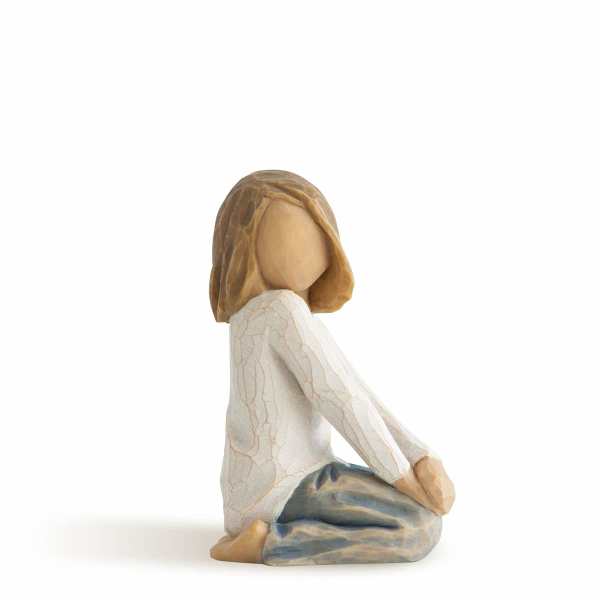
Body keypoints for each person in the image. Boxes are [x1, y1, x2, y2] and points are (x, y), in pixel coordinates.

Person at [208, 171, 454, 565]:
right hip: (284, 490)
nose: (314, 245)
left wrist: (420, 458)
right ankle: (269, 544)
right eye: (291, 234)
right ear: (247, 246)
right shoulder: (280, 311)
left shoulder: (264, 315)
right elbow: (341, 401)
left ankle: (263, 537)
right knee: (419, 528)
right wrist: (405, 480)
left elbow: (354, 389)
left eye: (316, 231)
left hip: (271, 487)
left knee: (419, 518)